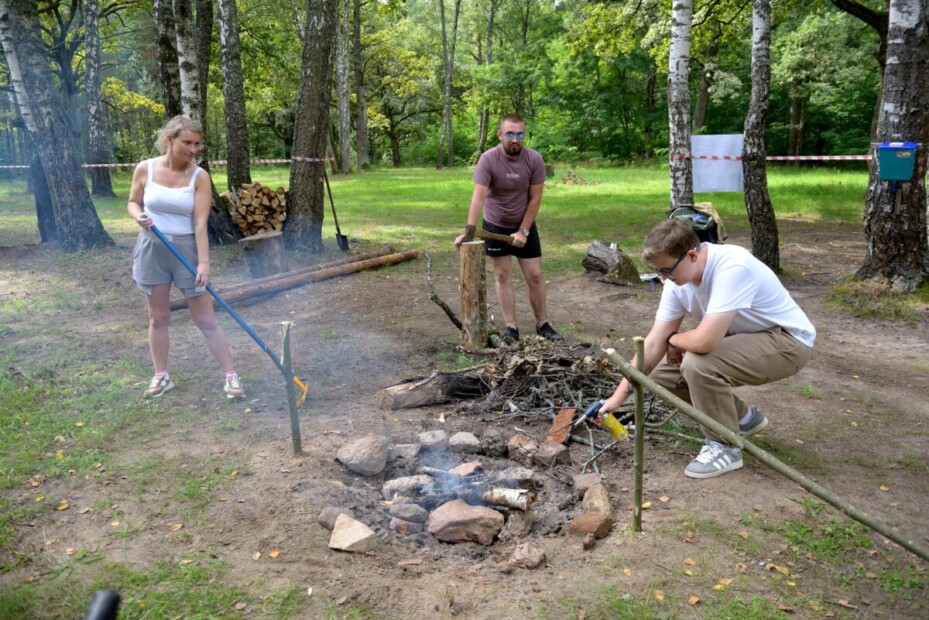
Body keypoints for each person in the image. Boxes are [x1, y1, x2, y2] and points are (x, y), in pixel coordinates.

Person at [596, 219, 815, 479]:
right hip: (748, 339)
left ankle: (725, 446)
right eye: (659, 272)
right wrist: (617, 399)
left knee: (699, 363)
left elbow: (704, 342)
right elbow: (653, 343)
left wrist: (673, 340)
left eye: (667, 271)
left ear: (691, 255)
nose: (664, 278)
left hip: (789, 342)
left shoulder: (732, 266)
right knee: (658, 373)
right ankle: (743, 419)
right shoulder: (677, 282)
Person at [127, 115, 245, 400]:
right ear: (170, 140)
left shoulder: (199, 176)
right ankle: (161, 376)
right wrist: (138, 216)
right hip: (152, 248)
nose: (193, 150)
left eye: (197, 144)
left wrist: (203, 262)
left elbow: (200, 223)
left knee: (206, 319)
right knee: (158, 318)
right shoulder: (145, 168)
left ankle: (231, 375)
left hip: (187, 251)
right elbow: (133, 202)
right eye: (187, 143)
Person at [454, 114, 562, 342]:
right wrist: (470, 230)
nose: (515, 139)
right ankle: (511, 327)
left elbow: (535, 199)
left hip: (524, 225)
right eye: (510, 134)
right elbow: (478, 198)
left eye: (520, 135)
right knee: (502, 275)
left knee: (535, 275)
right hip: (495, 225)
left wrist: (523, 231)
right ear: (500, 135)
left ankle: (543, 324)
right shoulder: (488, 159)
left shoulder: (534, 159)